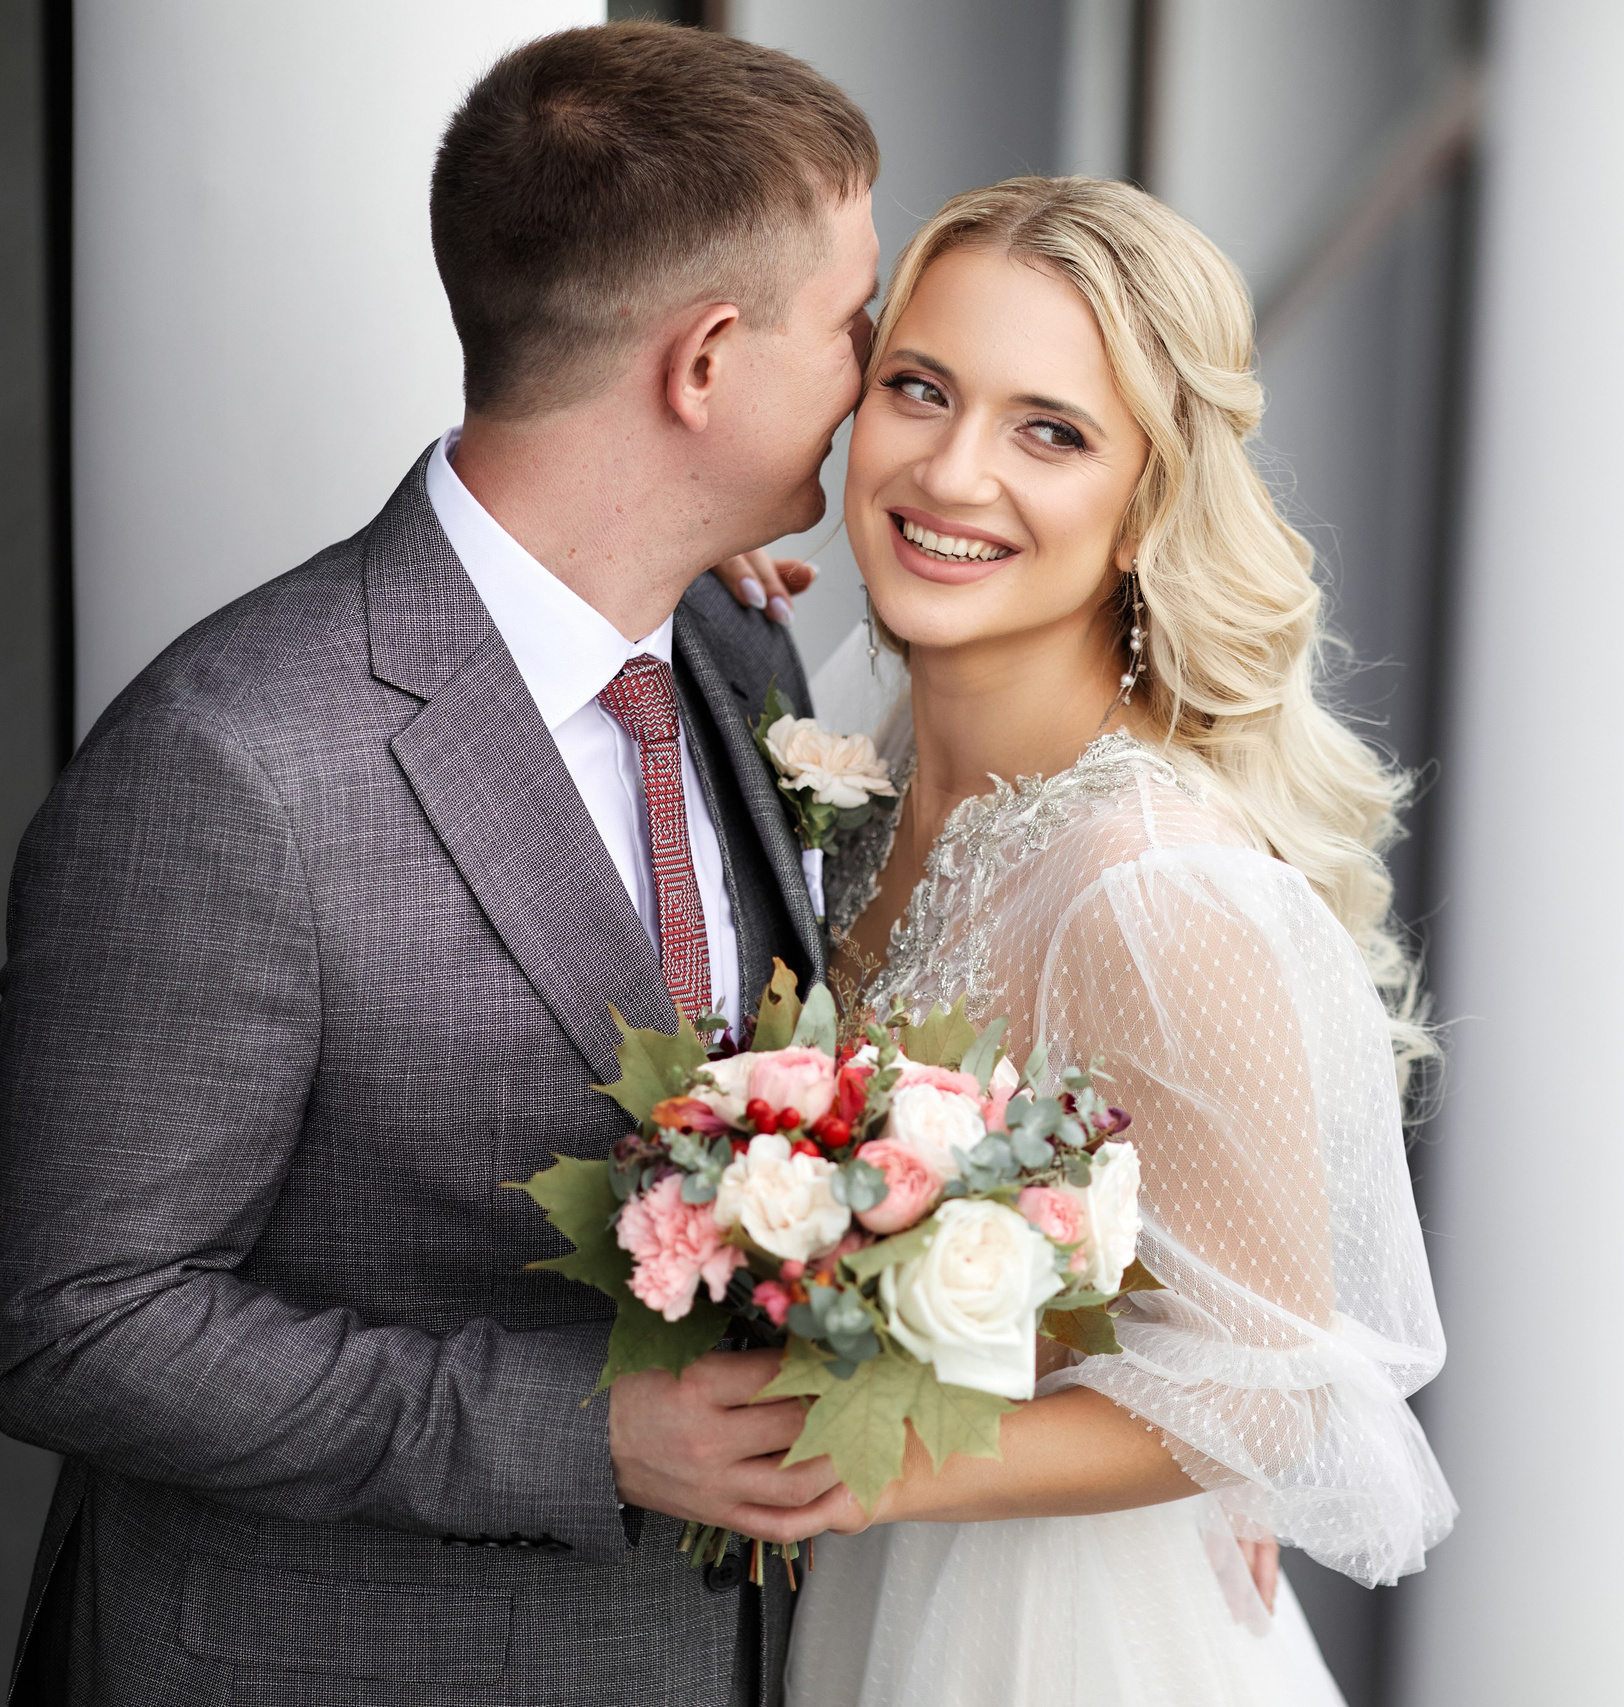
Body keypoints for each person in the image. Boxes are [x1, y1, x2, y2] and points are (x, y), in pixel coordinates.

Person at [0, 25, 876, 1705]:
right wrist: (583, 1433)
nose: (870, 372)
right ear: (705, 362)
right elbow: (74, 1316)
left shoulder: (735, 652)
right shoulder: (233, 763)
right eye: (853, 324)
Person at [778, 176, 1455, 1707]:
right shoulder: (852, 774)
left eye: (1051, 432)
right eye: (919, 389)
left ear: (1150, 502)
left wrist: (847, 1464)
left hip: (1042, 1630)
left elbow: (1268, 1392)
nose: (953, 472)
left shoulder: (1151, 888)